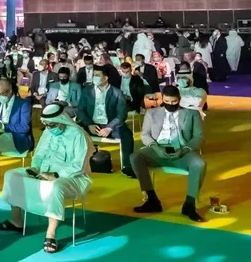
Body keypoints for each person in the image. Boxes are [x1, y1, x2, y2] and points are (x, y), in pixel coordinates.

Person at [0, 103, 91, 254]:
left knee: (56, 187)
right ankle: (16, 220)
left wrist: (55, 175)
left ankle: (50, 234)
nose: (49, 128)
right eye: (46, 125)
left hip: (72, 177)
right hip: (43, 172)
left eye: (51, 124)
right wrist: (35, 169)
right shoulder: (49, 132)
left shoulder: (79, 134)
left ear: (61, 120)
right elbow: (38, 155)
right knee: (12, 175)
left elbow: (79, 165)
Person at [131, 86, 206, 222]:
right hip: (158, 149)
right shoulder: (152, 113)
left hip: (183, 150)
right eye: (167, 101)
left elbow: (199, 137)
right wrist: (156, 147)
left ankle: (189, 205)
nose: (171, 104)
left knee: (199, 164)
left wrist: (185, 149)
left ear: (179, 99)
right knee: (135, 157)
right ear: (162, 99)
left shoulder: (192, 114)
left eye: (174, 101)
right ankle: (152, 199)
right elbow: (145, 134)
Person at [76, 64, 135, 177]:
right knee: (74, 131)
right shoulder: (86, 91)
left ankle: (127, 166)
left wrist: (109, 127)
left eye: (97, 75)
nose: (94, 78)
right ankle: (76, 164)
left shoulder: (117, 93)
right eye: (93, 75)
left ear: (106, 78)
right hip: (92, 124)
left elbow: (122, 114)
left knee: (127, 134)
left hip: (110, 126)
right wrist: (89, 124)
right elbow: (81, 110)